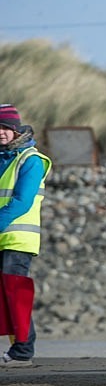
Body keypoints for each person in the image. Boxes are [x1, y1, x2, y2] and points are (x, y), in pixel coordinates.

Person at [0, 104, 51, 367]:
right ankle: (17, 350)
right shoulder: (3, 159)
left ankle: (22, 352)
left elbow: (22, 201)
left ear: (16, 129)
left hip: (18, 239)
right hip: (3, 238)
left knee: (15, 295)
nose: (1, 132)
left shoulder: (30, 160)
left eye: (5, 127)